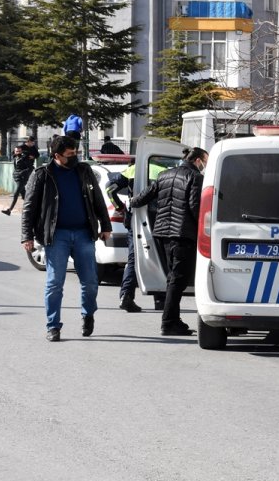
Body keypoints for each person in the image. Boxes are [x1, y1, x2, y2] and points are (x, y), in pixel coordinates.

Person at [20, 135, 112, 342]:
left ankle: (87, 314)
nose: (75, 157)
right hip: (56, 236)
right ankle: (53, 326)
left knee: (90, 282)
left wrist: (105, 225)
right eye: (70, 154)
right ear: (57, 155)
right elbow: (29, 208)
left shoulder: (84, 171)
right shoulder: (43, 174)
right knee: (54, 283)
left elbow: (97, 198)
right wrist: (27, 236)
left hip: (83, 233)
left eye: (76, 153)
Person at [130, 147, 208, 336]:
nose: (205, 165)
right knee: (178, 280)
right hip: (183, 234)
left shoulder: (165, 175)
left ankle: (172, 319)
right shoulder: (195, 177)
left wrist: (128, 203)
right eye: (205, 161)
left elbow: (141, 199)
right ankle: (169, 321)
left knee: (173, 278)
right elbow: (195, 207)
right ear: (198, 160)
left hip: (164, 233)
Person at [106, 164, 142, 313]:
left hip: (134, 219)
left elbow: (110, 189)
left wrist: (119, 206)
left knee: (133, 258)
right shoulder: (166, 166)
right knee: (161, 257)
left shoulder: (133, 168)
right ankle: (160, 299)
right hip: (158, 219)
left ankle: (126, 296)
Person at [2, 135, 39, 216]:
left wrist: (24, 171)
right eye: (16, 151)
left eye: (19, 151)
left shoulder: (25, 158)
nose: (17, 152)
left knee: (16, 193)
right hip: (17, 176)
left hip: (23, 176)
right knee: (24, 195)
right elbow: (14, 157)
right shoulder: (16, 156)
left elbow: (32, 164)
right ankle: (34, 209)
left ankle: (9, 210)